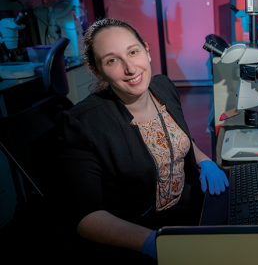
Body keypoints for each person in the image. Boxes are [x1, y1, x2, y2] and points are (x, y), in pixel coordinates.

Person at [58, 18, 228, 264]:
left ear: (146, 51)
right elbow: (86, 217)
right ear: (97, 70)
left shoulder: (163, 86)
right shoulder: (82, 123)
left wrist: (205, 162)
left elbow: (181, 138)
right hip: (140, 230)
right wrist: (154, 243)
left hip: (190, 205)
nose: (130, 68)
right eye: (112, 60)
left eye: (133, 52)